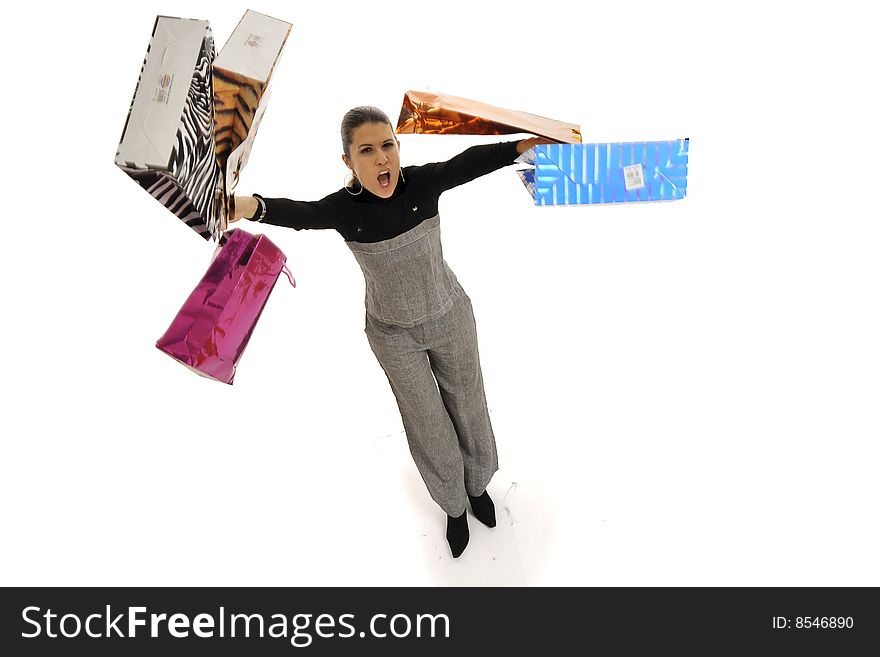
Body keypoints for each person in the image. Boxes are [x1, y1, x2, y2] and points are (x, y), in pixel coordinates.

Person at [230, 106, 552, 558]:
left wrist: (520, 147)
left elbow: (468, 163)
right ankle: (454, 506)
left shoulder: (422, 184)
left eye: (388, 146)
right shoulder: (345, 211)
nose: (382, 159)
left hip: (448, 314)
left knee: (468, 401)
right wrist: (249, 206)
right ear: (348, 161)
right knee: (426, 420)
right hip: (392, 333)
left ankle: (478, 488)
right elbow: (299, 213)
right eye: (367, 150)